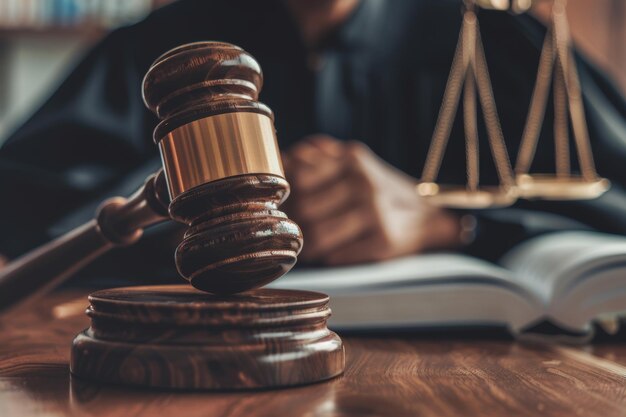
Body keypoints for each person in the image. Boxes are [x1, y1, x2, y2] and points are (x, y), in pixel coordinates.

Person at [0, 0, 625, 283]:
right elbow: (24, 212)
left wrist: (446, 222)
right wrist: (217, 198)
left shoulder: (501, 47)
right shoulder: (154, 51)